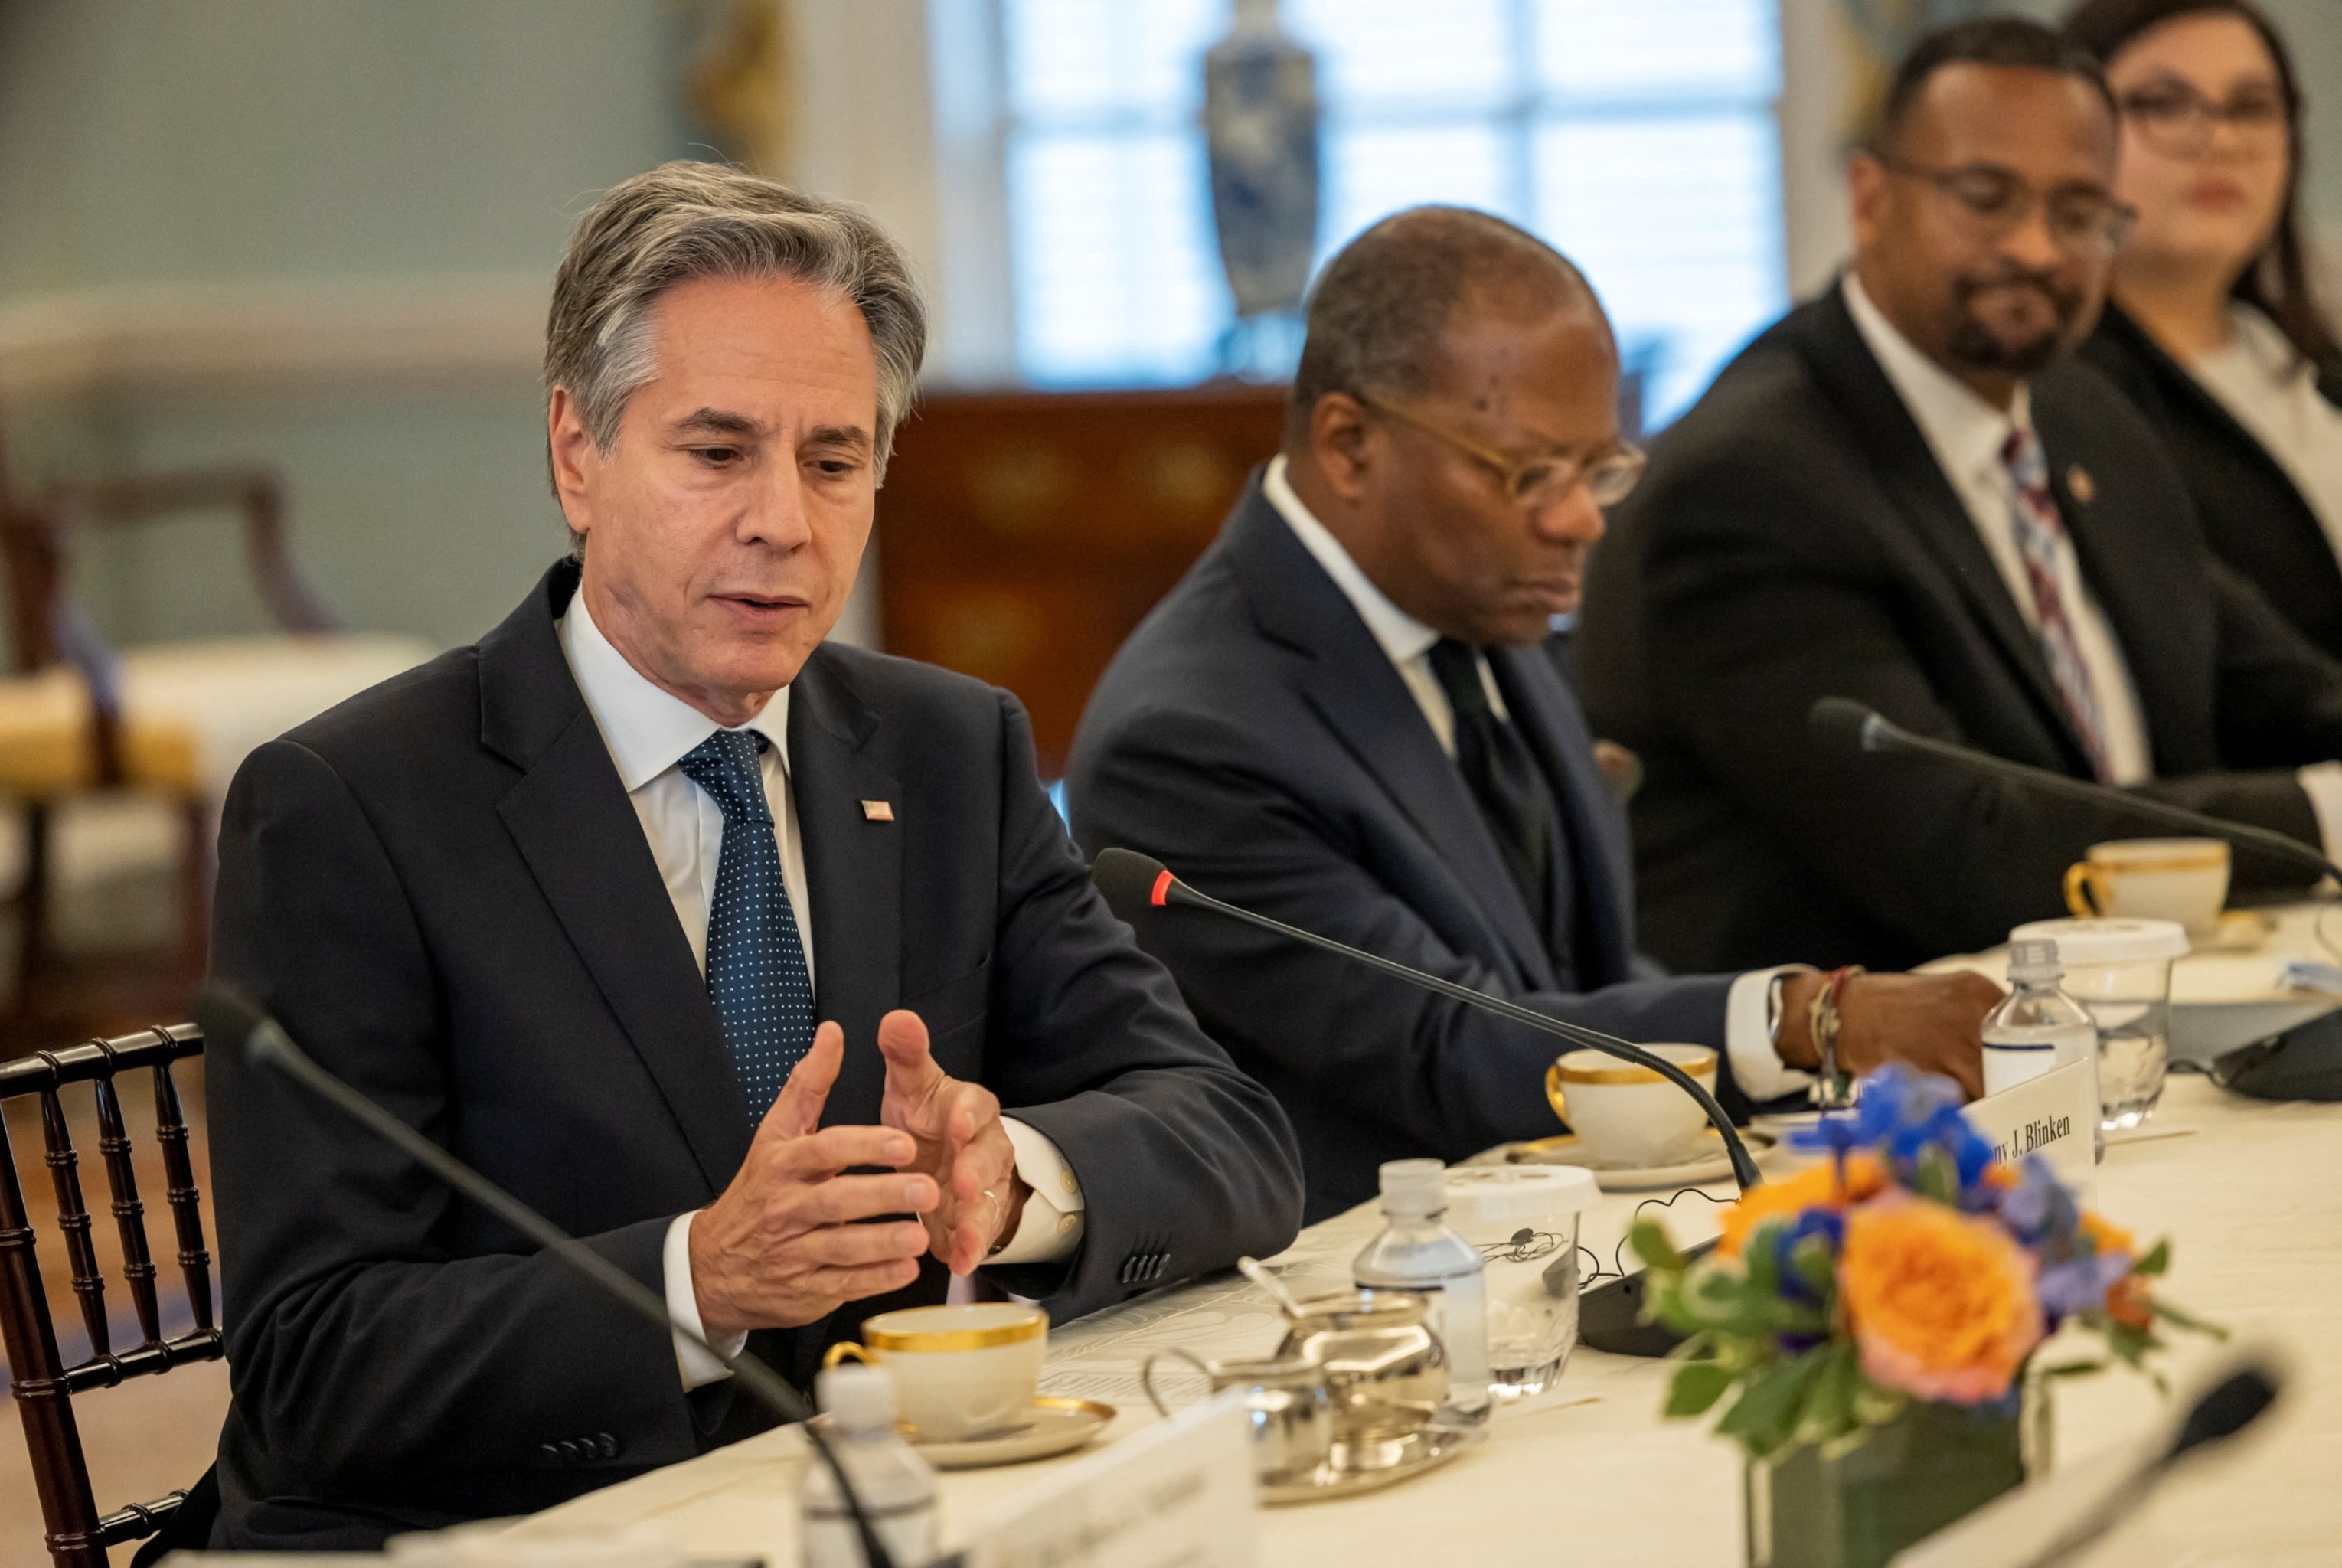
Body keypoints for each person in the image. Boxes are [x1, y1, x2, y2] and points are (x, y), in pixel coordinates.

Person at [203, 162, 1303, 1548]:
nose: (784, 520)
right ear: (576, 454)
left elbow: (1230, 1133)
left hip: (893, 1505)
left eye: (834, 460)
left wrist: (1012, 1175)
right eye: (717, 453)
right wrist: (696, 1280)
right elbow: (311, 1368)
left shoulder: (948, 750)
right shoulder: (351, 807)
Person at [1066, 207, 1998, 1223]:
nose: (1582, 519)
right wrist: (1802, 1018)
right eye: (1530, 473)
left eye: (1600, 469)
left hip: (1569, 1223)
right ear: (1347, 444)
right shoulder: (1194, 736)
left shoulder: (1475, 604)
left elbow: (1577, 969)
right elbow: (1448, 1040)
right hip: (1378, 1277)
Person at [1575, 18, 2342, 978]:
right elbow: (1968, 848)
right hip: (1859, 1090)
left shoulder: (2079, 410)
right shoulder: (1752, 486)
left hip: (2132, 1017)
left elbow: (2276, 686)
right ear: (1870, 198)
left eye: (2076, 213)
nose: (2033, 248)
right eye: (1986, 199)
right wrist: (2325, 812)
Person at [2068, 0, 2342, 658]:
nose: (2220, 140)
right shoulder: (2064, 402)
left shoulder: (2301, 363)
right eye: (2163, 104)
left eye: (2251, 107)